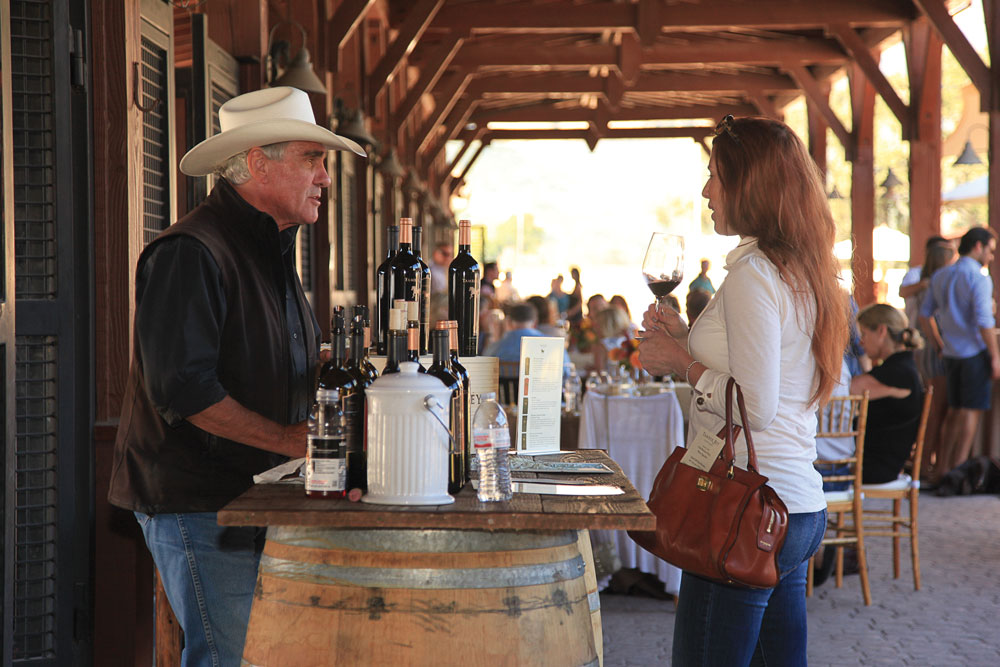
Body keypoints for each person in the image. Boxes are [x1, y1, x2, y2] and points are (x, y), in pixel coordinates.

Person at [106, 87, 366, 666]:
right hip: (200, 503)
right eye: (311, 158)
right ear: (257, 163)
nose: (325, 177)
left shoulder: (270, 249)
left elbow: (272, 361)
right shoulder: (190, 251)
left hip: (254, 499)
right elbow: (183, 388)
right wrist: (291, 441)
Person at [637, 115, 847, 665]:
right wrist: (687, 340)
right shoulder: (802, 269)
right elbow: (770, 367)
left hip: (746, 507)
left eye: (715, 175)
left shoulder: (755, 274)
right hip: (793, 506)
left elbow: (756, 405)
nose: (706, 189)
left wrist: (680, 363)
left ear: (749, 185)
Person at [918, 226, 1000, 486]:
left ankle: (943, 468)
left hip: (950, 353)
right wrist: (995, 356)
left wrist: (939, 343)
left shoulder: (941, 275)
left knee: (954, 412)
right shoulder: (978, 278)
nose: (991, 257)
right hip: (974, 352)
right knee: (970, 413)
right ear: (978, 246)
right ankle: (956, 473)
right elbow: (984, 321)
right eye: (990, 250)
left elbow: (924, 315)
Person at [852, 304, 925, 484]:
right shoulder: (902, 366)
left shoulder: (898, 372)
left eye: (864, 335)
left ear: (882, 331)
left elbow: (845, 389)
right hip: (878, 463)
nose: (861, 342)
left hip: (875, 467)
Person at [911, 243, 957, 480]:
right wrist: (940, 345)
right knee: (935, 410)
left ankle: (926, 463)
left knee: (935, 410)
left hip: (929, 350)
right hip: (933, 350)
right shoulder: (932, 286)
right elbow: (927, 320)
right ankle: (924, 465)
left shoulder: (926, 284)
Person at [485, 301, 570, 377]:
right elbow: (566, 373)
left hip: (503, 394)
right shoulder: (554, 346)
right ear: (535, 322)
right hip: (541, 394)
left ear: (509, 322)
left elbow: (484, 375)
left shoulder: (493, 349)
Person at [899, 235, 953, 327]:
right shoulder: (915, 274)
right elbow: (902, 292)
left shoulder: (948, 278)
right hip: (916, 327)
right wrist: (923, 285)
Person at [590, 307, 632, 373]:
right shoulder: (629, 343)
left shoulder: (601, 346)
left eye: (597, 324)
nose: (594, 327)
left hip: (611, 382)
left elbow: (600, 374)